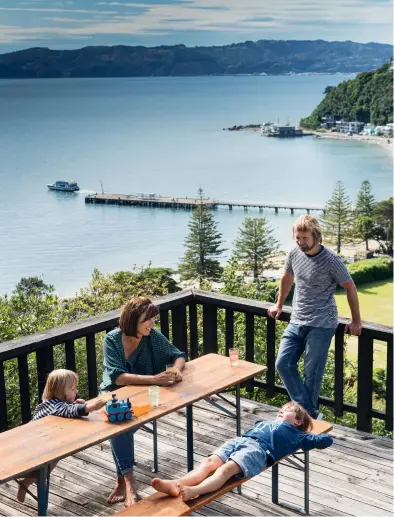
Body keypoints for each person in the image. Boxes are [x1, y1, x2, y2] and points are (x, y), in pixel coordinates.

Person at [268, 215, 362, 419]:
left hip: (321, 323)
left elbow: (350, 287)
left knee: (312, 374)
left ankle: (302, 419)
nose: (300, 242)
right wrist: (279, 304)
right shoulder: (294, 253)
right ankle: (309, 414)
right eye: (297, 238)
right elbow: (287, 278)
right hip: (297, 319)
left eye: (304, 238)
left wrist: (356, 320)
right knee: (282, 363)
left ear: (316, 236)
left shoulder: (331, 260)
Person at [100, 296, 186, 507]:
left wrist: (176, 369)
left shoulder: (152, 337)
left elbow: (179, 355)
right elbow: (118, 377)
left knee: (121, 426)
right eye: (147, 320)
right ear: (132, 320)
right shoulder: (112, 340)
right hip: (113, 395)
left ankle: (122, 480)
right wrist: (155, 379)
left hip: (142, 398)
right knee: (120, 425)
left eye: (153, 320)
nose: (152, 324)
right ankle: (130, 484)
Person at [151, 401, 333, 502]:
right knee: (208, 463)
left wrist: (311, 435)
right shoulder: (268, 422)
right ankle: (175, 484)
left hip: (260, 451)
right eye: (281, 409)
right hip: (241, 440)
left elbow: (325, 440)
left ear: (298, 421)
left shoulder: (297, 435)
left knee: (225, 470)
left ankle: (194, 491)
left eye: (286, 411)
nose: (281, 411)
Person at [17, 369, 106, 503]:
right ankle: (29, 482)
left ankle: (36, 480)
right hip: (31, 445)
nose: (76, 391)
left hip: (42, 444)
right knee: (49, 464)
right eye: (72, 389)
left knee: (52, 461)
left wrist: (77, 404)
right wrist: (90, 407)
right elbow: (66, 410)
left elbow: (66, 409)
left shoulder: (54, 403)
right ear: (60, 391)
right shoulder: (51, 406)